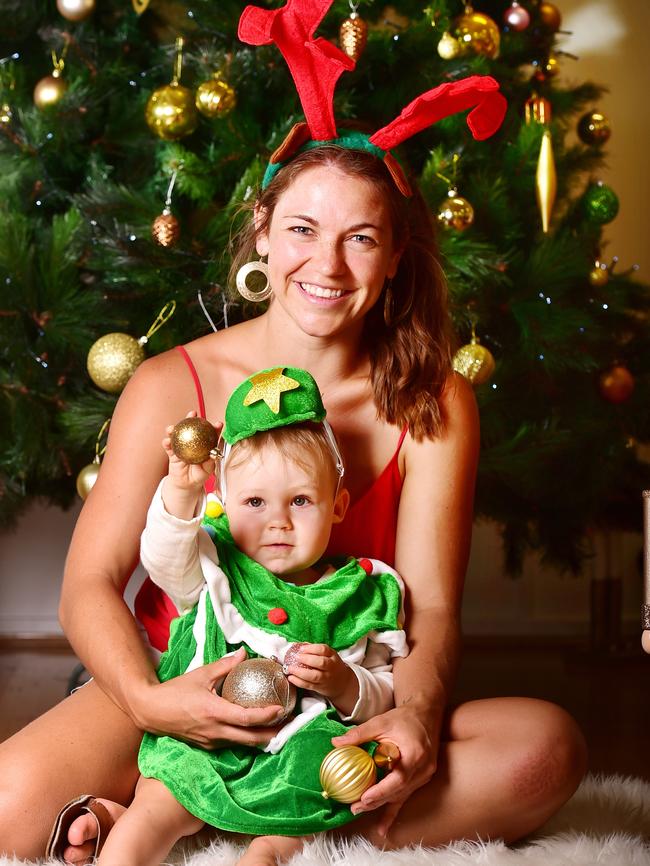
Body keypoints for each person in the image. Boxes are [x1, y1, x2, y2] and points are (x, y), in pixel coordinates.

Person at [0, 3, 587, 859]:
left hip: (342, 699)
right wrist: (153, 701)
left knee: (545, 753)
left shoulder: (433, 403)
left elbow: (431, 617)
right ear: (263, 237)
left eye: (361, 240)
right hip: (186, 679)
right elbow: (88, 584)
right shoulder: (174, 381)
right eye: (304, 231)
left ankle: (240, 828)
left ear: (392, 265)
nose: (328, 265)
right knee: (8, 802)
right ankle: (225, 810)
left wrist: (416, 721)